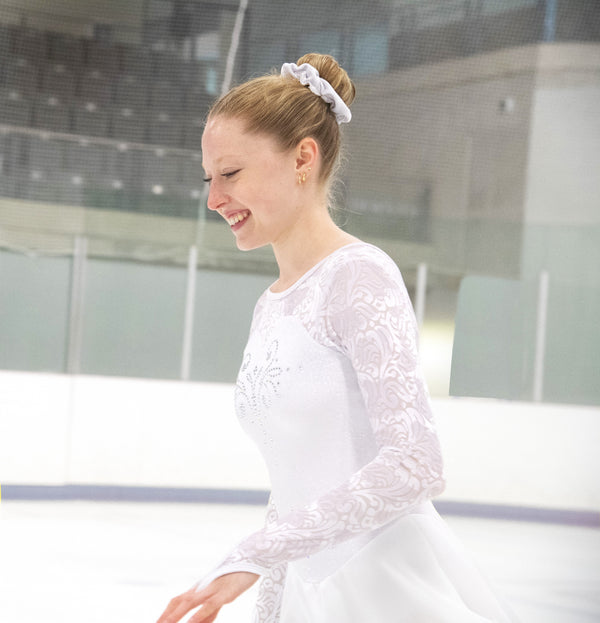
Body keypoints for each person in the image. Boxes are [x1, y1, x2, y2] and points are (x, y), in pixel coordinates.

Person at [156, 53, 515, 623]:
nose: (213, 199)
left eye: (230, 174)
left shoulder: (358, 277)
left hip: (381, 587)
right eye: (209, 179)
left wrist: (256, 552)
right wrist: (267, 599)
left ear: (303, 158)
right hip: (309, 588)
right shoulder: (270, 305)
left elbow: (416, 463)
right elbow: (292, 485)